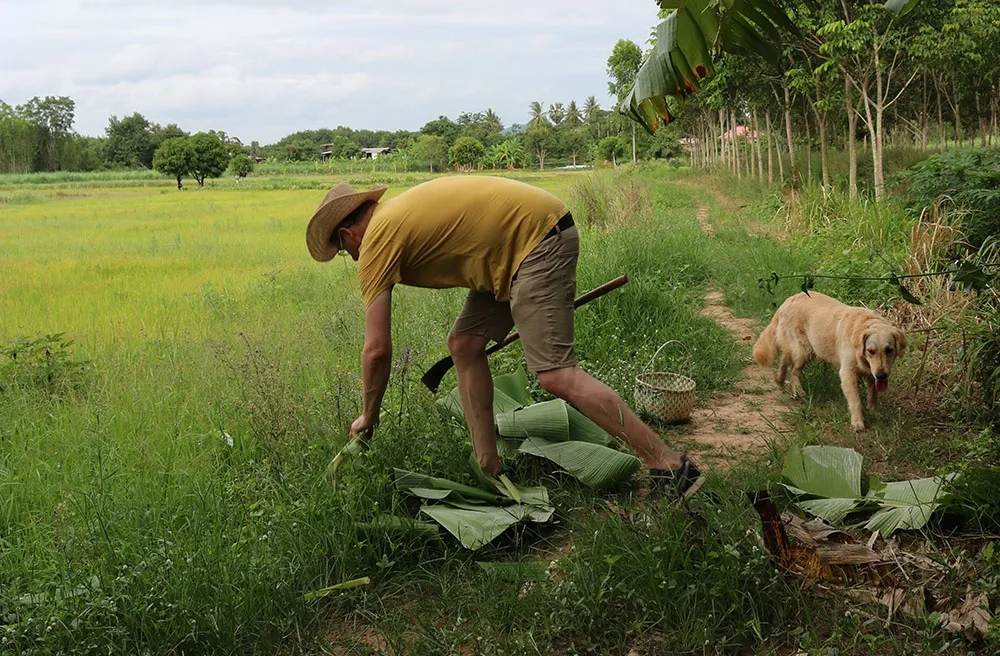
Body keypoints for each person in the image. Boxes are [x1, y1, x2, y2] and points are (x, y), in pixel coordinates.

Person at [306, 176, 703, 500]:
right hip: (514, 249)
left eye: (343, 251)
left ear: (348, 234)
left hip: (536, 241)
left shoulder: (375, 241)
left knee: (556, 375)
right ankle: (489, 467)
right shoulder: (393, 219)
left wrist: (369, 417)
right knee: (464, 344)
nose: (352, 259)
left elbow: (377, 350)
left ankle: (669, 466)